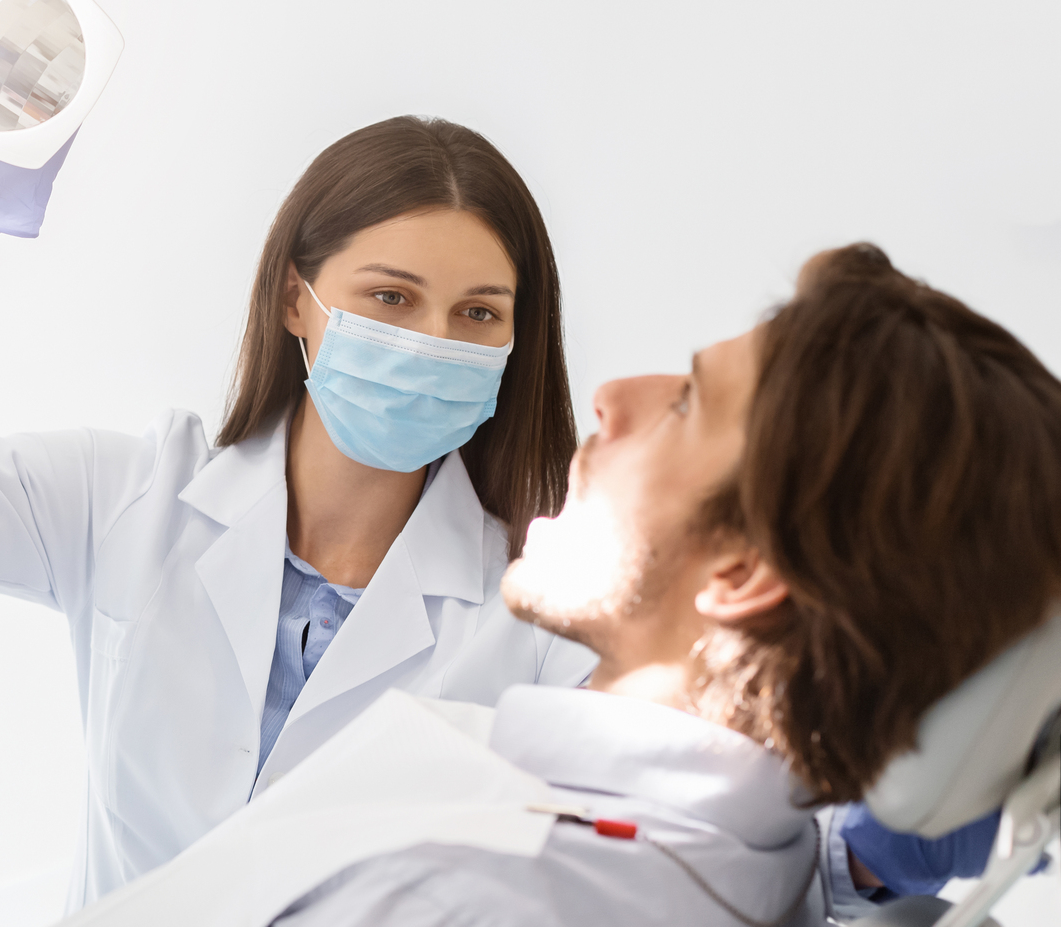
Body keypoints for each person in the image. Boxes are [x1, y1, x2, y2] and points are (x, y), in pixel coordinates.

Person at [65, 243, 1061, 926]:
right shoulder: (738, 849)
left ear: (745, 572)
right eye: (391, 297)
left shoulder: (466, 900)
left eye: (684, 405)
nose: (611, 396)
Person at [0, 117, 598, 909]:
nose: (431, 343)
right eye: (390, 298)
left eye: (478, 314)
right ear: (294, 300)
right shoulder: (127, 497)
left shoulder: (543, 617)